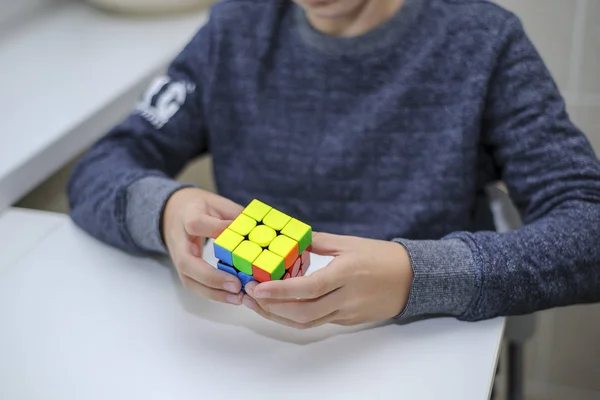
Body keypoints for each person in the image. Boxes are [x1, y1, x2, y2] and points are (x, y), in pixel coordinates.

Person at [67, 0, 600, 330]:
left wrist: (417, 276)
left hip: (425, 346)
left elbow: (589, 231)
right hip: (255, 355)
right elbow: (103, 165)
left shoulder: (485, 40)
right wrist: (166, 208)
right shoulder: (233, 29)